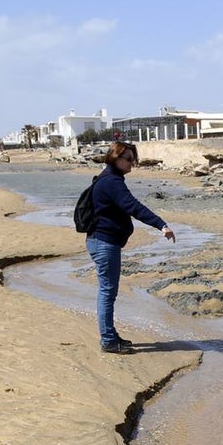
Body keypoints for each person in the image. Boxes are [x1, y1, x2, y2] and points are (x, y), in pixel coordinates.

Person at [86, 141, 176, 354]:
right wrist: (161, 225)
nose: (132, 164)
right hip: (104, 243)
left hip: (102, 241)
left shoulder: (107, 178)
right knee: (107, 292)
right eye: (128, 159)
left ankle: (110, 335)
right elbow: (133, 206)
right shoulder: (112, 182)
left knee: (108, 292)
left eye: (133, 160)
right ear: (116, 158)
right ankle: (108, 340)